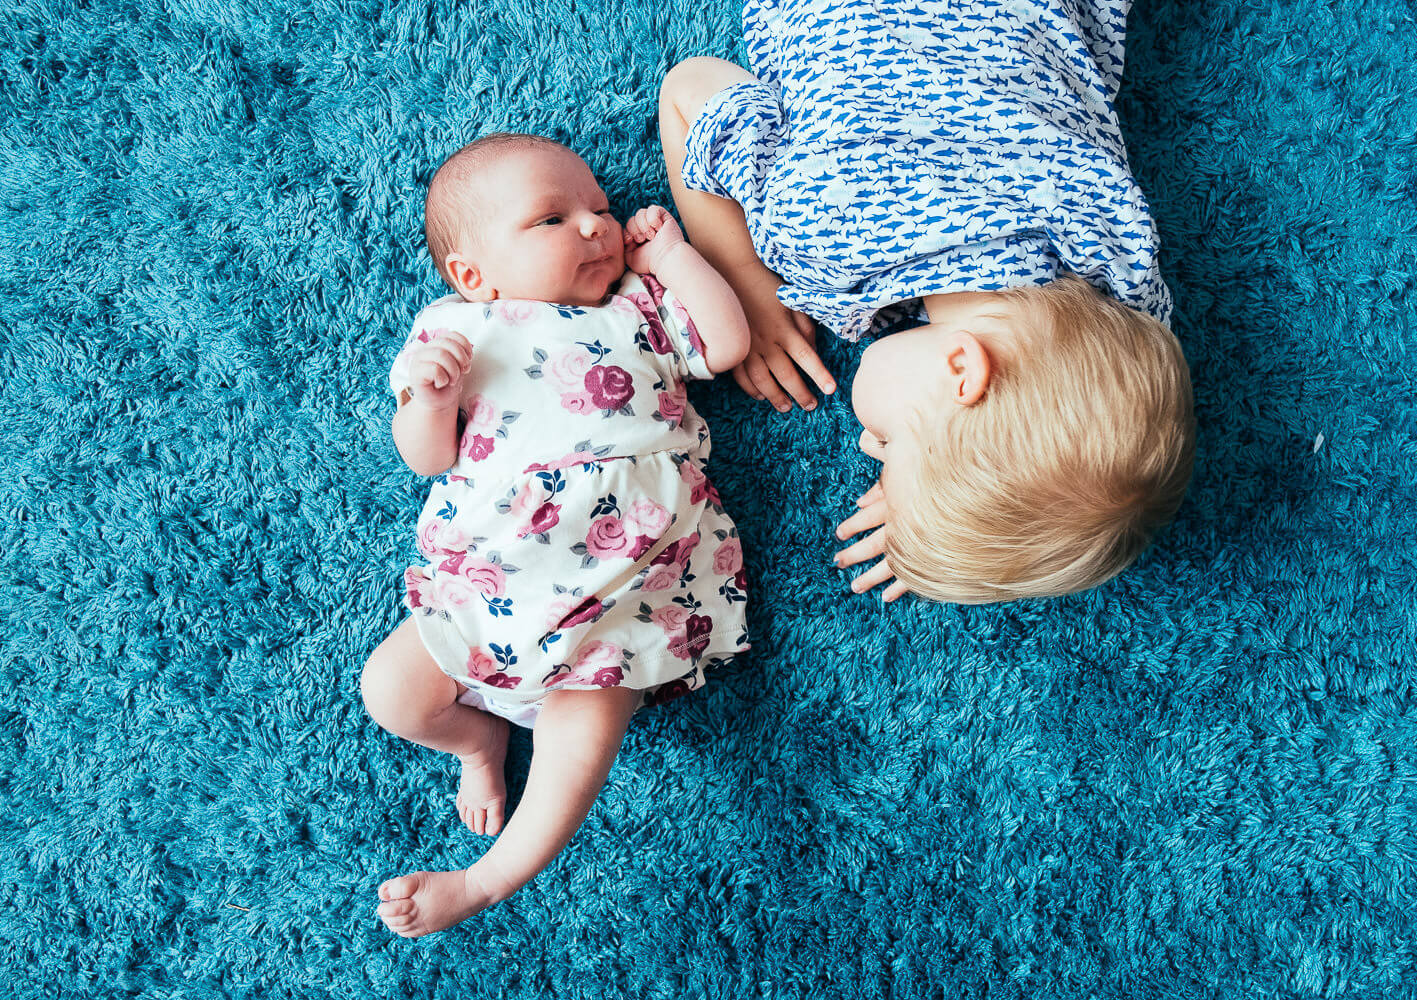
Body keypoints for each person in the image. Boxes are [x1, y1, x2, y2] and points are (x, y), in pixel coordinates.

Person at [658, 0, 1196, 604]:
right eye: (891, 451)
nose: (871, 446)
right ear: (961, 368)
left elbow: (1132, 375)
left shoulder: (1118, 261)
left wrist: (945, 492)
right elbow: (687, 88)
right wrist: (745, 276)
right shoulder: (822, 229)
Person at [362, 133, 751, 937]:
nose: (594, 227)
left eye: (601, 209)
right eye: (553, 218)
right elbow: (425, 457)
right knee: (391, 692)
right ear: (474, 274)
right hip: (499, 573)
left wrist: (675, 259)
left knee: (583, 738)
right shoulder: (456, 326)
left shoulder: (638, 308)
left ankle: (486, 880)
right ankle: (477, 742)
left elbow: (727, 344)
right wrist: (430, 404)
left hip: (631, 571)